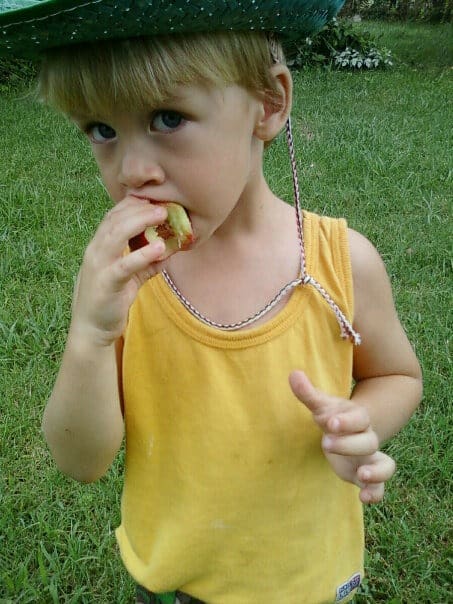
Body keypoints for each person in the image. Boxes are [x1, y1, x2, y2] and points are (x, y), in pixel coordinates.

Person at [0, 2, 422, 602]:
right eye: (101, 130)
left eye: (167, 118)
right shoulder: (128, 283)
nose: (132, 171)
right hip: (173, 585)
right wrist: (90, 335)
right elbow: (80, 460)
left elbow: (398, 375)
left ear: (269, 104)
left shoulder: (341, 263)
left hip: (305, 580)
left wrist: (360, 424)